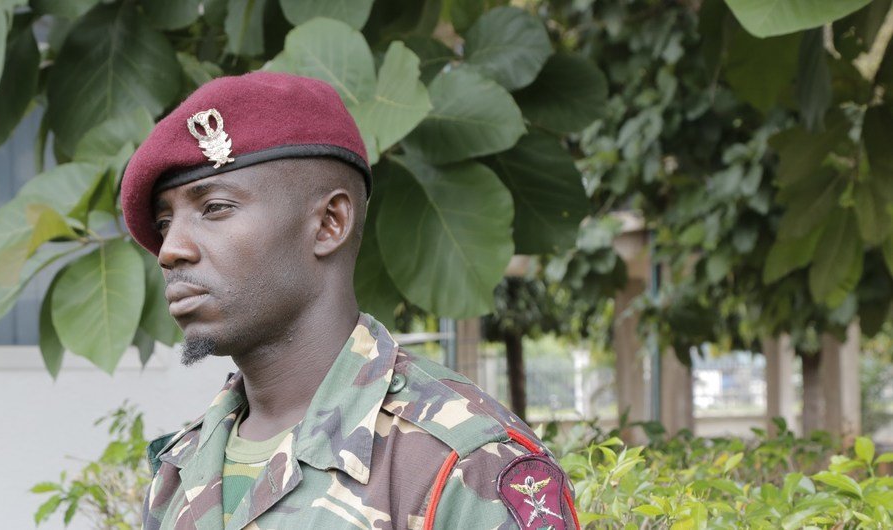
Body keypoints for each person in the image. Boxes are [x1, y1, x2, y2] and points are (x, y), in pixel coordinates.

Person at [120, 71, 579, 530]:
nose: (170, 250)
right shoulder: (180, 468)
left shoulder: (463, 463)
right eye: (164, 223)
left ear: (329, 224)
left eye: (215, 207)